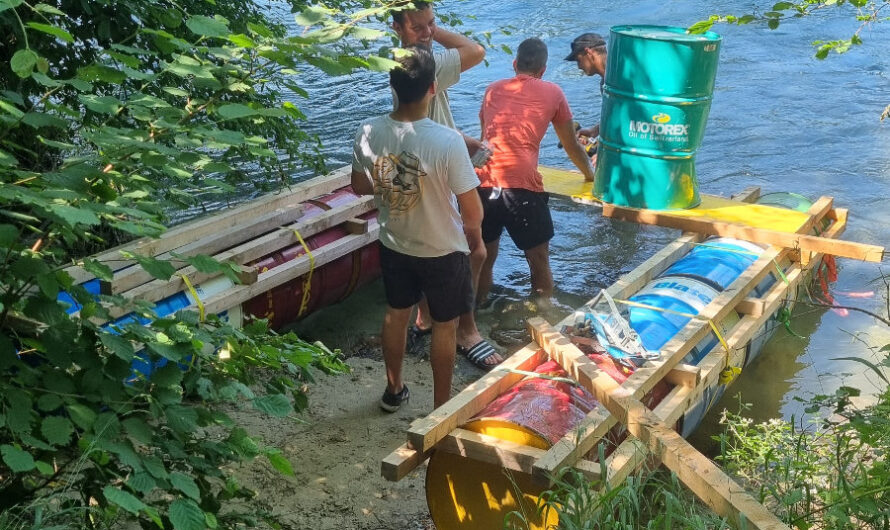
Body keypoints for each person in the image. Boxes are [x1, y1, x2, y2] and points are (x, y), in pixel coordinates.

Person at [350, 46, 484, 411]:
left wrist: (391, 181)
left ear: (392, 85)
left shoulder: (368, 131)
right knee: (445, 325)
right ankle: (441, 408)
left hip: (394, 243)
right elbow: (472, 213)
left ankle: (394, 390)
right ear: (433, 89)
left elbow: (360, 186)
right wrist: (473, 240)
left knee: (396, 314)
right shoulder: (447, 141)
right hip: (442, 249)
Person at [391, 1, 503, 369]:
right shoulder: (428, 63)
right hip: (436, 169)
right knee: (475, 252)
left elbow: (422, 117)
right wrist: (434, 33)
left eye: (431, 25)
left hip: (421, 161)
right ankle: (465, 330)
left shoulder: (400, 65)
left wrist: (463, 138)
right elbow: (476, 51)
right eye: (418, 27)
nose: (426, 34)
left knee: (437, 248)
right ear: (398, 28)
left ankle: (426, 318)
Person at [476, 37, 595, 304]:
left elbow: (484, 138)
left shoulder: (492, 90)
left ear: (514, 63)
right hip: (522, 187)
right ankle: (541, 314)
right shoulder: (553, 92)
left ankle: (478, 308)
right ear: (543, 70)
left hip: (484, 182)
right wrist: (590, 175)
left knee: (484, 257)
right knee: (538, 261)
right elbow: (571, 145)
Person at [565, 32, 608, 151]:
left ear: (589, 53)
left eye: (579, 60)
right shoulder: (604, 82)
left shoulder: (618, 78)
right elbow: (614, 116)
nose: (579, 66)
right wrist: (595, 131)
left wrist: (602, 147)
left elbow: (628, 117)